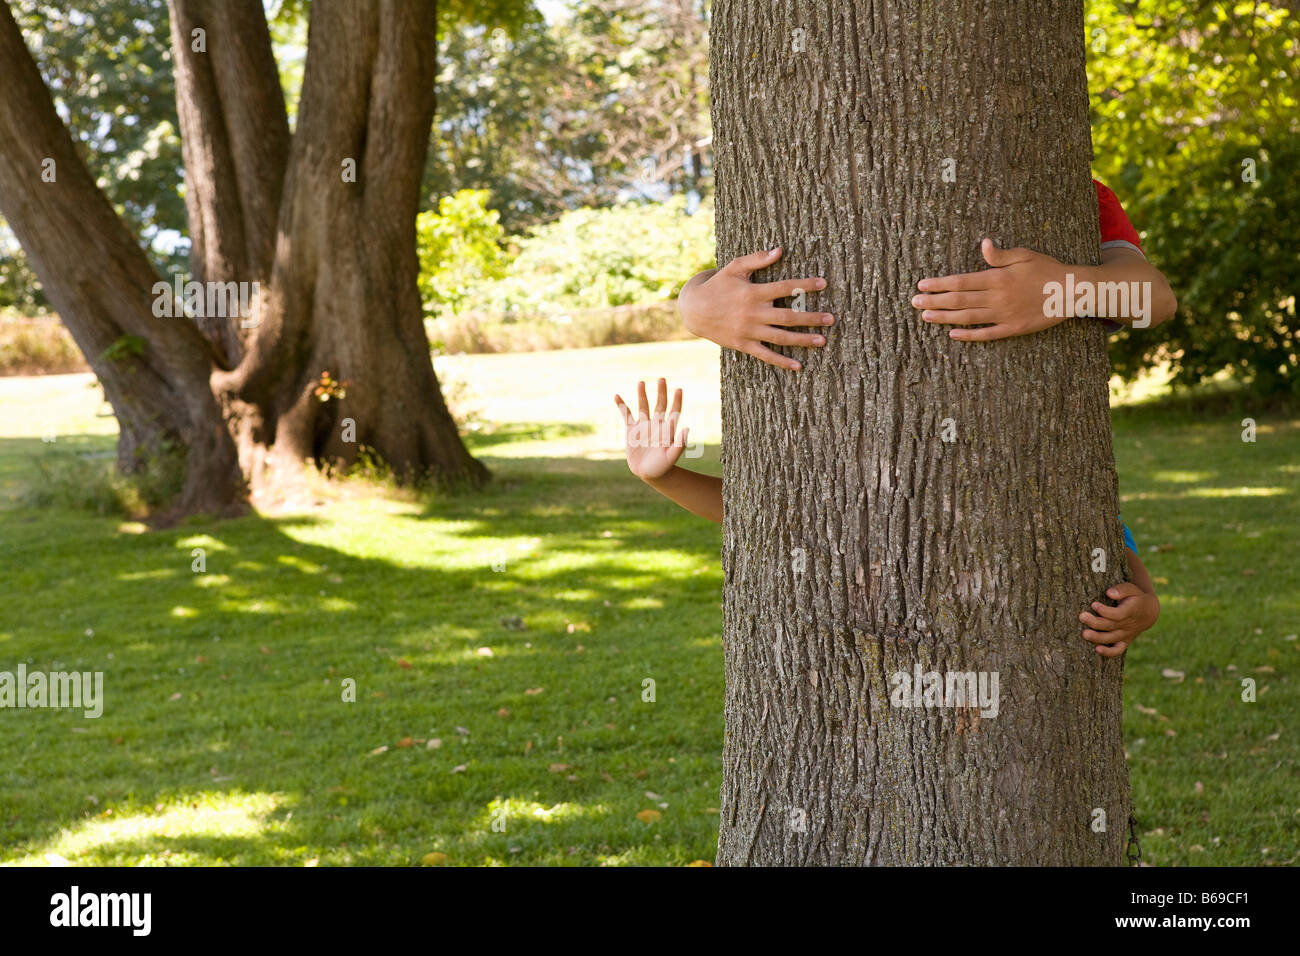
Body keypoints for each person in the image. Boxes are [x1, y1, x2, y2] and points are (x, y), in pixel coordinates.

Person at [615, 180, 1169, 656]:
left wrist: (1061, 290)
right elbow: (779, 516)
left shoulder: (1063, 185)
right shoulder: (794, 184)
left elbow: (1155, 299)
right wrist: (694, 304)